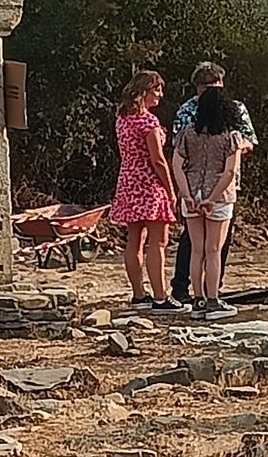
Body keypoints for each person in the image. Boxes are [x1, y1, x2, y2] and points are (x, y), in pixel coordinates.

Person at [170, 62, 257, 303]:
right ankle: (207, 296)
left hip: (193, 185)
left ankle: (203, 293)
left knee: (202, 246)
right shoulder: (223, 126)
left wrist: (184, 192)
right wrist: (233, 146)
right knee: (209, 247)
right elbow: (230, 168)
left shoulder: (191, 126)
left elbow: (177, 157)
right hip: (219, 188)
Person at [109, 71, 184, 314]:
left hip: (128, 181)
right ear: (145, 92)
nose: (160, 95)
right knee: (157, 242)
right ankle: (161, 297)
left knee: (134, 240)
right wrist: (171, 190)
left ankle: (139, 294)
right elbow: (158, 160)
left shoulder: (122, 119)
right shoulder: (148, 123)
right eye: (157, 90)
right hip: (149, 185)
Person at [172, 86, 244, 320]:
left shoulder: (187, 133)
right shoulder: (231, 136)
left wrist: (186, 195)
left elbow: (177, 165)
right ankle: (213, 300)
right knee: (214, 250)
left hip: (192, 192)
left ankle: (198, 299)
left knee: (196, 249)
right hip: (218, 197)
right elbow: (230, 171)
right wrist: (212, 199)